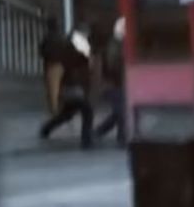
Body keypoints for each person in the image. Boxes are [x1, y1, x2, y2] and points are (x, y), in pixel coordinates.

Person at [38, 23, 95, 149]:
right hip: (73, 84)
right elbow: (78, 63)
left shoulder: (72, 44)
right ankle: (87, 140)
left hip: (72, 84)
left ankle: (46, 129)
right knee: (87, 111)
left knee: (67, 114)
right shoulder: (75, 46)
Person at [94, 16, 127, 144]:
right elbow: (113, 64)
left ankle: (99, 131)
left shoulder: (118, 43)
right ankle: (122, 137)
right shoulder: (115, 44)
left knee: (119, 111)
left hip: (115, 82)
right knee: (121, 111)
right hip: (114, 83)